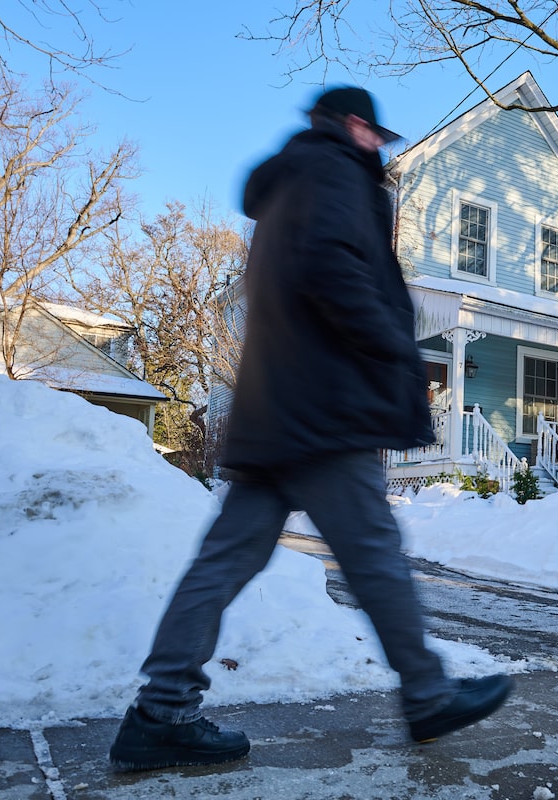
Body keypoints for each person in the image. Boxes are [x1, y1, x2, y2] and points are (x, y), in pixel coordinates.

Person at [109, 86, 513, 772]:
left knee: (224, 560)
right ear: (354, 125)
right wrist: (392, 344)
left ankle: (161, 710)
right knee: (374, 553)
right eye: (376, 136)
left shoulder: (287, 183)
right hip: (327, 405)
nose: (381, 150)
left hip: (277, 405)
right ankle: (426, 693)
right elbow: (331, 267)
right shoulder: (334, 172)